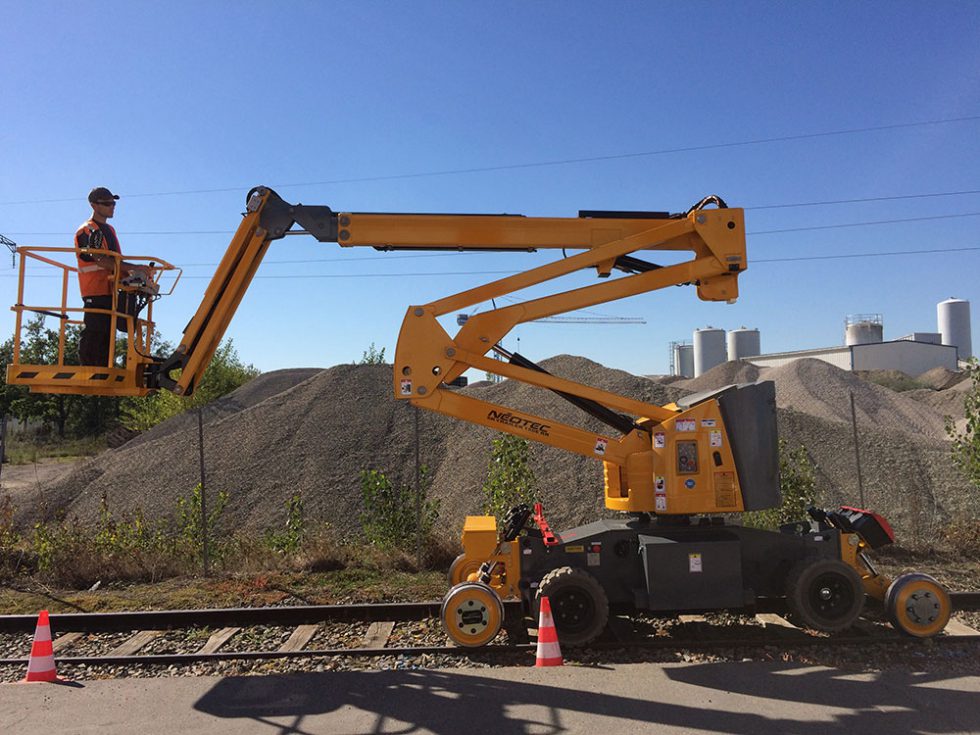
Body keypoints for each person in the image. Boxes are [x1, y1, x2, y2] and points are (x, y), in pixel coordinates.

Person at [75, 186, 149, 366]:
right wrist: (132, 268)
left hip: (112, 289)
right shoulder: (90, 230)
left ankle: (103, 368)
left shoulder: (109, 230)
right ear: (93, 205)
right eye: (107, 203)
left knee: (109, 331)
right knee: (97, 331)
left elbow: (114, 260)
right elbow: (100, 259)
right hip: (96, 289)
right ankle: (91, 370)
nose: (111, 206)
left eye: (113, 203)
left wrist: (134, 273)